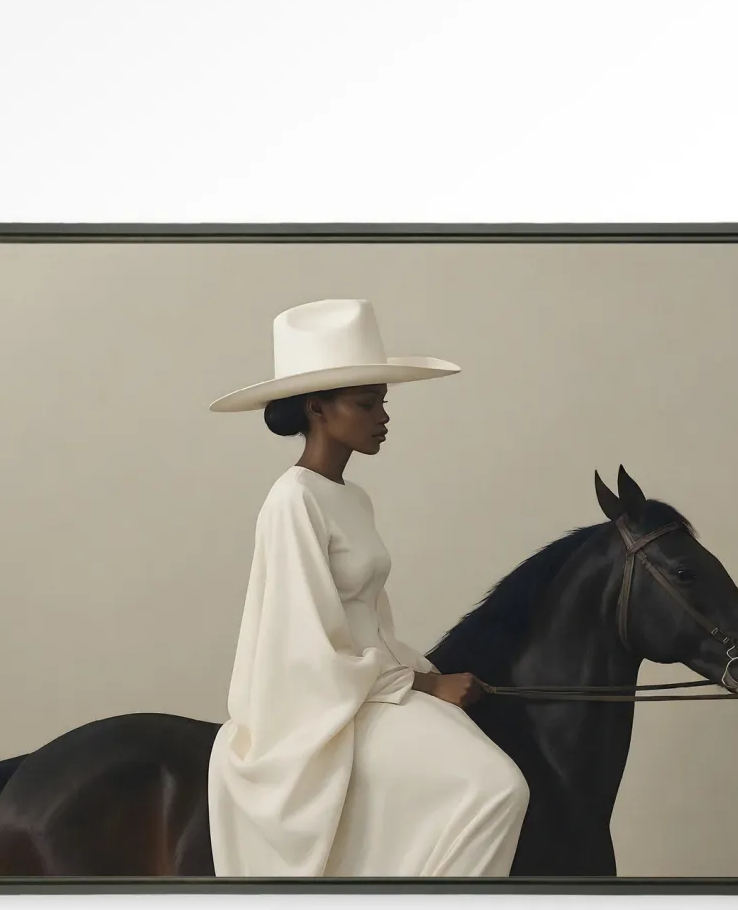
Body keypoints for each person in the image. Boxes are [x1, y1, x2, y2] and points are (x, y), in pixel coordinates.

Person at [206, 298, 529, 877]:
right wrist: (424, 684)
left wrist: (423, 675)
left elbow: (371, 624)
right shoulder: (292, 501)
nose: (383, 416)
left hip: (371, 686)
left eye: (383, 401)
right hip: (330, 702)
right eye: (366, 403)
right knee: (498, 788)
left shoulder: (352, 498)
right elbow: (306, 647)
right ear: (317, 408)